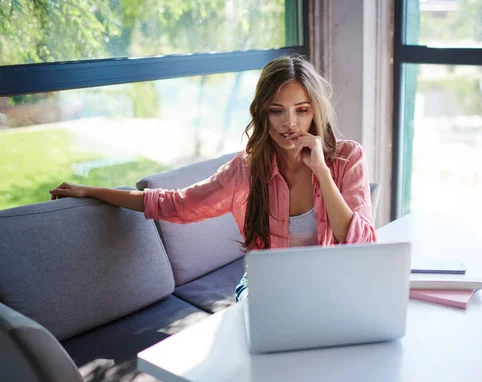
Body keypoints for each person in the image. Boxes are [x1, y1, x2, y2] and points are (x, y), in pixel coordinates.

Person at [49, 55, 376, 301]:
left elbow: (363, 244)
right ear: (262, 112)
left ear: (316, 110)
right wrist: (92, 191)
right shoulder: (247, 169)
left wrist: (321, 171)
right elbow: (174, 205)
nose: (289, 123)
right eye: (277, 110)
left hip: (327, 284)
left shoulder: (348, 159)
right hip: (268, 289)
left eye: (301, 110)